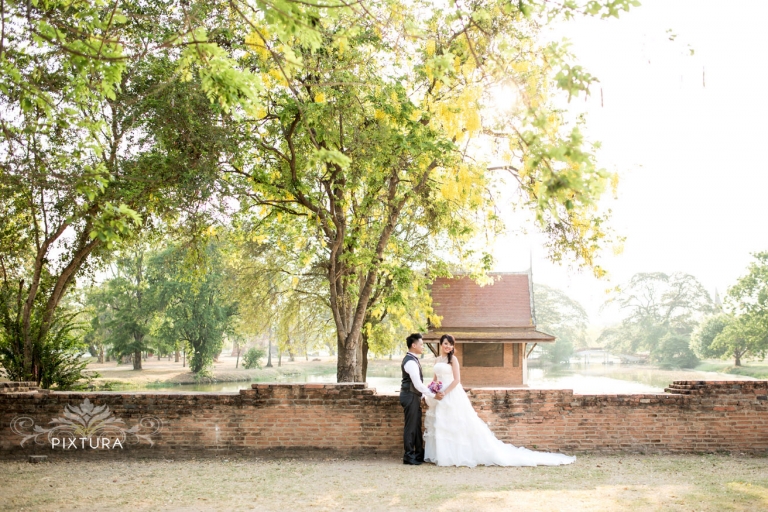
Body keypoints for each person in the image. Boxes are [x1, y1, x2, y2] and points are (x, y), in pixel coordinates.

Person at [424, 334, 576, 467]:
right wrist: (432, 389)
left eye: (450, 344)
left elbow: (457, 380)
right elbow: (435, 379)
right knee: (442, 424)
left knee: (457, 424)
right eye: (445, 343)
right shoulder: (438, 359)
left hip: (451, 393)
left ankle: (456, 455)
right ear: (441, 344)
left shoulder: (453, 360)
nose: (448, 346)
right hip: (439, 396)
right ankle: (443, 455)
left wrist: (444, 391)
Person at [400, 333, 444, 465]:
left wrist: (427, 393)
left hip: (413, 396)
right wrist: (433, 394)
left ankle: (419, 453)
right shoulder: (410, 362)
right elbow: (418, 384)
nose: (422, 347)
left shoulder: (412, 359)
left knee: (416, 425)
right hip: (410, 396)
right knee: (410, 427)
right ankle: (408, 455)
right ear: (413, 345)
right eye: (421, 344)